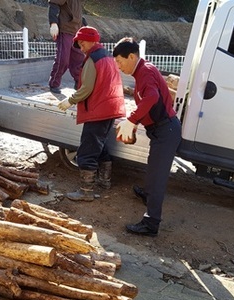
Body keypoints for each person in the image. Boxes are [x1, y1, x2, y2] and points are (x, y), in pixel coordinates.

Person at [113, 37, 182, 237]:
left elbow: (152, 97)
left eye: (119, 61)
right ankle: (147, 194)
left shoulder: (145, 73)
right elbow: (147, 101)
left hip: (166, 131)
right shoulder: (144, 71)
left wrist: (133, 120)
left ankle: (151, 223)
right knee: (153, 168)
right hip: (162, 130)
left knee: (158, 176)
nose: (118, 66)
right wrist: (134, 121)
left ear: (132, 56)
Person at [57, 26, 125, 201]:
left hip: (97, 110)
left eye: (81, 42)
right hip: (110, 108)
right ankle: (104, 181)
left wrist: (70, 100)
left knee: (87, 150)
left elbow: (86, 88)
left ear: (90, 40)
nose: (80, 46)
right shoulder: (107, 56)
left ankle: (86, 192)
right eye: (78, 43)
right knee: (100, 144)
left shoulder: (93, 59)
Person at [48, 0, 86, 94]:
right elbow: (54, 4)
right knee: (63, 59)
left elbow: (78, 14)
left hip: (77, 31)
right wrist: (53, 23)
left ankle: (79, 83)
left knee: (79, 59)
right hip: (65, 30)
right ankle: (54, 83)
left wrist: (85, 27)